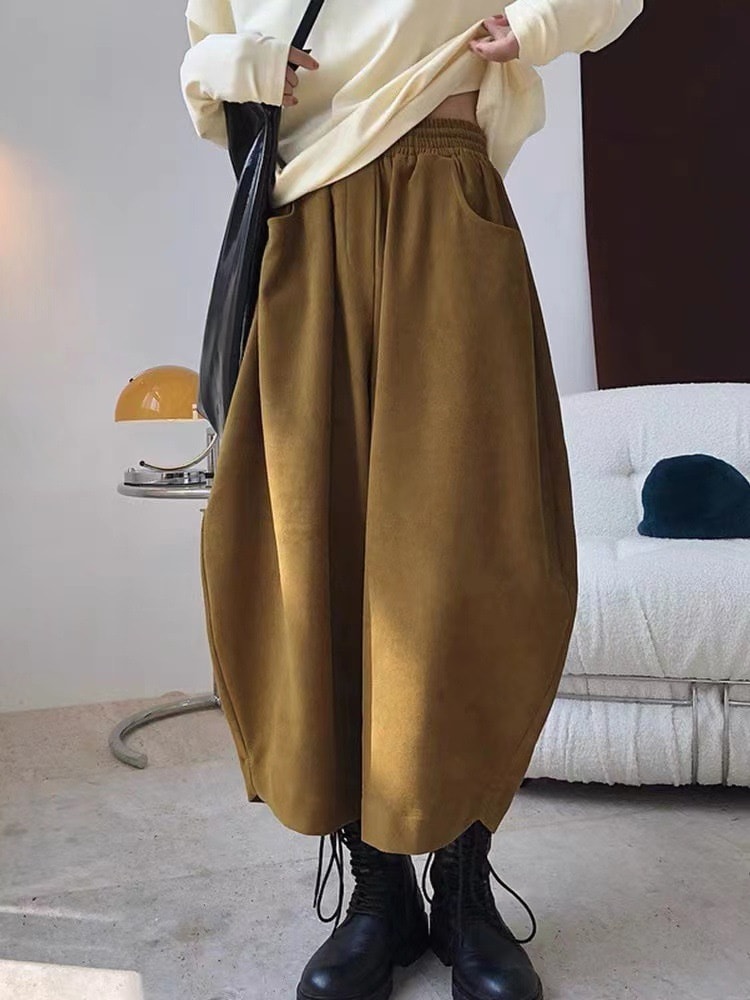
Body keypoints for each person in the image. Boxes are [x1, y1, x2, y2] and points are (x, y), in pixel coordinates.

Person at [179, 3, 643, 999]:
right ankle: (377, 891)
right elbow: (201, 59)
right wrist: (247, 61)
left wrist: (540, 22)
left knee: (474, 552)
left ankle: (465, 886)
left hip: (447, 191)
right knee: (320, 557)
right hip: (307, 221)